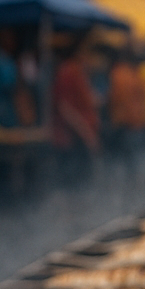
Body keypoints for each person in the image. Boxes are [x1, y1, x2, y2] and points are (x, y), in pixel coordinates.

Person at [51, 37, 101, 186]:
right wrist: (86, 134)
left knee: (83, 182)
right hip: (72, 138)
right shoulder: (68, 71)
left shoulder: (77, 71)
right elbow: (65, 107)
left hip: (79, 137)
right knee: (75, 184)